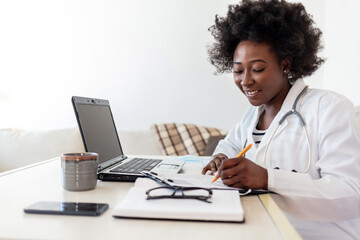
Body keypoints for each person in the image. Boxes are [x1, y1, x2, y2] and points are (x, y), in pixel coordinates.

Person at [202, 0, 360, 238]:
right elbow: (231, 144)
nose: (245, 81)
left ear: (285, 65)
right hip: (262, 229)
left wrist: (267, 178)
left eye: (257, 69)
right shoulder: (252, 115)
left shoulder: (329, 108)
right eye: (238, 70)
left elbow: (351, 196)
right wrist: (221, 157)